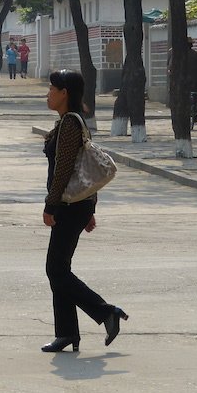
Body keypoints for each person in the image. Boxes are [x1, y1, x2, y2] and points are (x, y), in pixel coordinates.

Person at [41, 69, 128, 353]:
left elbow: (65, 170)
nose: (48, 94)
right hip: (76, 205)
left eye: (52, 89)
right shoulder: (68, 121)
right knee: (59, 270)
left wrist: (51, 205)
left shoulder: (70, 123)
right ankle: (66, 333)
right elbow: (85, 170)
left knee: (56, 269)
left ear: (64, 93)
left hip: (68, 206)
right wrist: (89, 208)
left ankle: (106, 312)